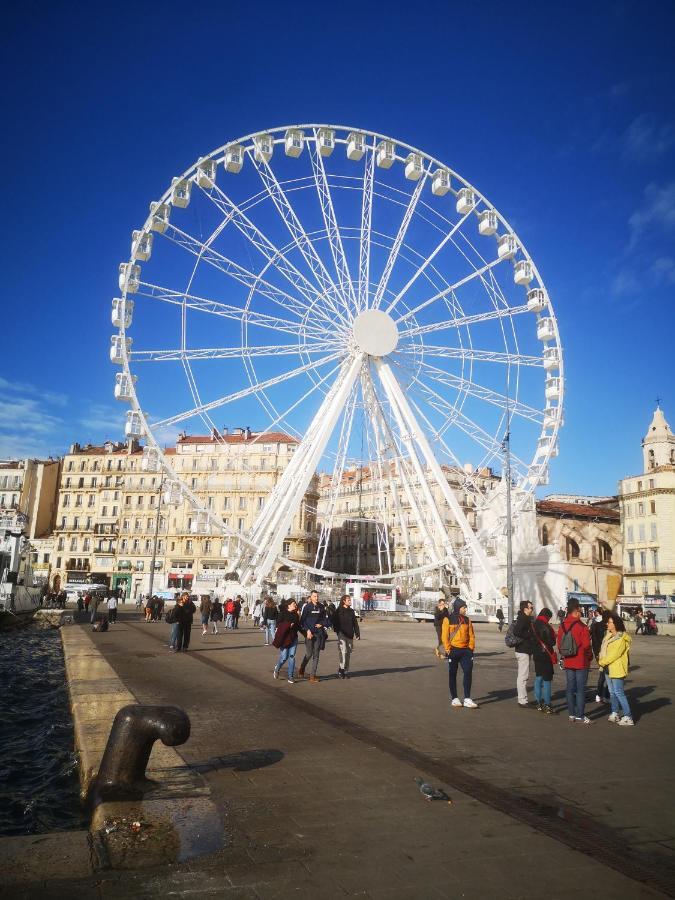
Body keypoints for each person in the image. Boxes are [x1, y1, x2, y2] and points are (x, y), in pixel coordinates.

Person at [557, 598, 593, 725]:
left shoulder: (562, 626)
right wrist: (590, 656)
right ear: (577, 610)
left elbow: (559, 644)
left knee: (570, 688)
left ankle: (571, 714)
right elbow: (587, 645)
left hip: (568, 660)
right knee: (580, 689)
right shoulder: (582, 626)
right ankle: (580, 716)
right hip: (581, 661)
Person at [598, 613, 634, 726]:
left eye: (609, 622)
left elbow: (614, 654)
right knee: (612, 692)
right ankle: (615, 713)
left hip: (617, 668)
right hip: (607, 668)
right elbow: (603, 650)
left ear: (615, 624)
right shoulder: (608, 635)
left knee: (619, 693)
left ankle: (628, 716)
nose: (607, 624)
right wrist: (602, 661)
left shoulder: (621, 638)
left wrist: (602, 661)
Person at [442, 598, 478, 708]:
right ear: (458, 608)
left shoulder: (468, 620)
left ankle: (467, 698)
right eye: (463, 607)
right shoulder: (447, 619)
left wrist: (470, 648)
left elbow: (471, 635)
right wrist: (448, 649)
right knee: (452, 674)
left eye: (465, 607)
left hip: (466, 651)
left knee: (468, 672)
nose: (465, 609)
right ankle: (455, 698)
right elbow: (444, 636)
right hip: (453, 650)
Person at [298, 590, 330, 683]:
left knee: (316, 655)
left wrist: (322, 624)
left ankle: (312, 676)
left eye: (317, 596)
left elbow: (326, 619)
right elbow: (302, 621)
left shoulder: (321, 607)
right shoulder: (307, 607)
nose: (316, 598)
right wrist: (307, 631)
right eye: (314, 596)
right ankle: (302, 668)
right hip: (309, 634)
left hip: (318, 633)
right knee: (309, 654)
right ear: (311, 597)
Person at [532, 608, 557, 714]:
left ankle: (538, 703)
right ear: (547, 616)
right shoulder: (547, 626)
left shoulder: (533, 624)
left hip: (536, 654)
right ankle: (547, 704)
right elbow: (552, 642)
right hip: (546, 655)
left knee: (538, 677)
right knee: (547, 680)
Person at [513, 600, 535, 707]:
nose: (532, 609)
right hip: (523, 650)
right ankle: (522, 700)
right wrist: (529, 634)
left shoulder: (523, 618)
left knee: (522, 675)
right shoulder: (524, 618)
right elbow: (516, 631)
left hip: (522, 650)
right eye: (531, 608)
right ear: (525, 609)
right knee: (523, 676)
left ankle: (522, 699)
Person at [273, 599, 301, 683]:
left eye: (295, 604)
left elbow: (298, 627)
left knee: (292, 656)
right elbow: (278, 625)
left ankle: (290, 676)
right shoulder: (282, 614)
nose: (295, 605)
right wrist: (288, 625)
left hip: (293, 638)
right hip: (284, 638)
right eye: (293, 604)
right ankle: (277, 668)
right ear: (288, 605)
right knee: (284, 657)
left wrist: (306, 634)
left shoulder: (296, 615)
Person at [333, 594, 360, 679]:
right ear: (344, 601)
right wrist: (337, 631)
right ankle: (341, 669)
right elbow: (334, 621)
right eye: (348, 600)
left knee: (348, 653)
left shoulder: (351, 611)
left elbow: (355, 623)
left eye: (350, 600)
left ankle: (346, 671)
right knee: (343, 651)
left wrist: (357, 634)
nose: (350, 601)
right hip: (341, 634)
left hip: (350, 634)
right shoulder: (338, 610)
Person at [590, 609, 611, 703]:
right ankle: (606, 695)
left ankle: (599, 694)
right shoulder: (609, 628)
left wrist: (597, 654)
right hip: (607, 654)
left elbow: (593, 642)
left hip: (598, 653)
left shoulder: (595, 625)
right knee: (608, 675)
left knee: (602, 674)